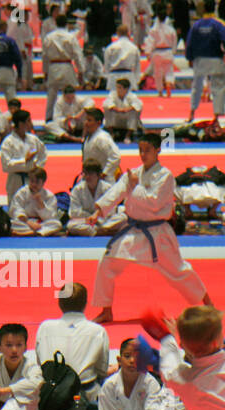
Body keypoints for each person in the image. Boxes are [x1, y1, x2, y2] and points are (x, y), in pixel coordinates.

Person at [88, 132, 214, 323]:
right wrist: (98, 210)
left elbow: (154, 203)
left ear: (157, 150)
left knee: (179, 271)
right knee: (107, 263)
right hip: (134, 231)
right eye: (140, 150)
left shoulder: (166, 176)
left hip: (158, 234)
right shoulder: (135, 173)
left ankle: (208, 305)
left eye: (147, 150)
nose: (143, 154)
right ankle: (106, 311)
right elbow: (117, 192)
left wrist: (135, 187)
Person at [86, 338, 175, 410]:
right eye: (127, 356)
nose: (132, 361)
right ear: (119, 360)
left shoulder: (150, 382)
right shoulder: (110, 385)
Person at [35, 283, 111, 403]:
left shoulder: (45, 328)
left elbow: (41, 364)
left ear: (60, 303)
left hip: (51, 394)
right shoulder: (97, 331)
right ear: (85, 303)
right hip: (86, 393)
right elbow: (101, 371)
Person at [185, 1, 225, 122]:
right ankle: (216, 116)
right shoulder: (219, 23)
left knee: (196, 86)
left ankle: (192, 113)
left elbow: (189, 43)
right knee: (218, 86)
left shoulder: (196, 25)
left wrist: (189, 57)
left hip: (199, 59)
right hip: (215, 58)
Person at [42, 15, 85, 122]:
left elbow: (45, 56)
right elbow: (77, 55)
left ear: (55, 23)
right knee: (70, 95)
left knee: (51, 95)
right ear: (66, 23)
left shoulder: (49, 37)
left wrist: (45, 72)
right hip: (67, 66)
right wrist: (80, 71)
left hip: (53, 66)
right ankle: (72, 120)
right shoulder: (70, 37)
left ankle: (49, 119)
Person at [67, 161, 123, 237]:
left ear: (99, 175)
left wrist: (97, 217)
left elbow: (111, 210)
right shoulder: (77, 189)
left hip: (104, 221)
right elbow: (74, 212)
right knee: (71, 225)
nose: (87, 177)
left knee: (122, 218)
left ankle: (98, 230)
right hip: (86, 221)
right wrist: (90, 217)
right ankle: (100, 232)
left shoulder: (107, 188)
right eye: (85, 174)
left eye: (91, 174)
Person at [9, 167, 63, 237]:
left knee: (56, 224)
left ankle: (30, 233)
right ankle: (42, 233)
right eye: (32, 181)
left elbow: (51, 217)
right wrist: (29, 222)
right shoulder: (22, 192)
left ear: (43, 182)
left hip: (41, 223)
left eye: (37, 182)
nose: (34, 184)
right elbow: (16, 210)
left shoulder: (49, 196)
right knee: (12, 223)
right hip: (25, 222)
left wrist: (40, 203)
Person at [143, 5, 178, 97]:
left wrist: (148, 53)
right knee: (169, 71)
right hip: (168, 51)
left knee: (158, 73)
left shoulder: (153, 30)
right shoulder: (171, 29)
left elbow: (150, 41)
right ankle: (169, 83)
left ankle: (160, 91)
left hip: (157, 52)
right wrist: (173, 52)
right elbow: (174, 42)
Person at [81, 107, 122, 180]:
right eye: (85, 119)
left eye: (89, 120)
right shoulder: (89, 136)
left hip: (103, 180)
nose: (86, 123)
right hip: (91, 177)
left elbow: (115, 156)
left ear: (98, 122)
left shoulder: (102, 137)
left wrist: (105, 173)